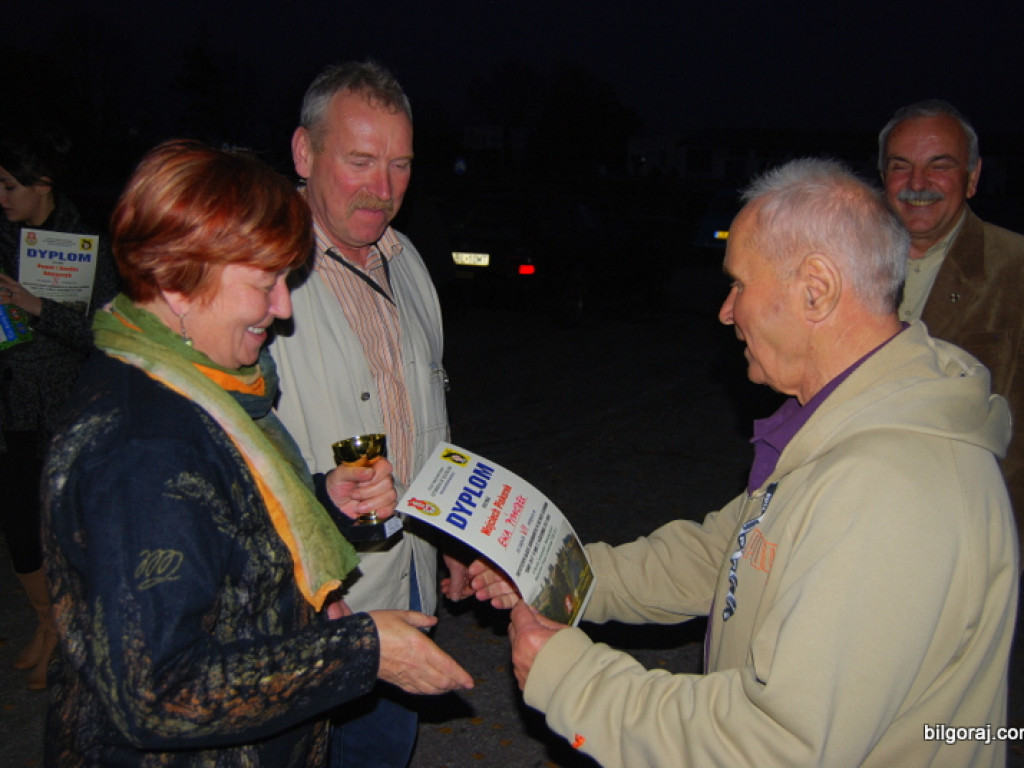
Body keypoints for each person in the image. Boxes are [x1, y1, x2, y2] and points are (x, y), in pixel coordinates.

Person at [467, 159, 1018, 767]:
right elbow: (727, 555)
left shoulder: (889, 489)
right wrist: (553, 577)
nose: (726, 312)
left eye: (740, 284)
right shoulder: (849, 427)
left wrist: (569, 677)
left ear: (816, 288)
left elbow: (774, 745)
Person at [40, 140, 471, 766]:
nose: (283, 307)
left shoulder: (194, 385)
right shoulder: (144, 447)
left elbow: (226, 534)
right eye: (265, 282)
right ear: (175, 277)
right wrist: (361, 650)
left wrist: (323, 499)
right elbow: (160, 690)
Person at [270, 61, 464, 768]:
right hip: (317, 600)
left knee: (383, 751)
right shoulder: (263, 269)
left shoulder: (406, 259)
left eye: (400, 165)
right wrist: (306, 599)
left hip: (403, 573)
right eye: (359, 161)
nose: (383, 191)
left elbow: (426, 411)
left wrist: (448, 534)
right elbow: (236, 453)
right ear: (304, 152)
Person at [0, 129, 119, 690]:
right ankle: (47, 622)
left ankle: (74, 637)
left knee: (71, 532)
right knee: (20, 527)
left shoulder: (85, 243)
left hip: (69, 408)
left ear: (41, 185)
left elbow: (106, 333)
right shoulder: (3, 240)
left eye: (7, 185)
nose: (0, 197)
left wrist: (36, 306)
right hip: (14, 403)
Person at [878, 99, 1024, 554]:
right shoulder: (844, 263)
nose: (917, 184)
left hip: (968, 539)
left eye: (940, 166)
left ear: (973, 177)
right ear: (882, 176)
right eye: (901, 166)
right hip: (861, 520)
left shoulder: (1015, 270)